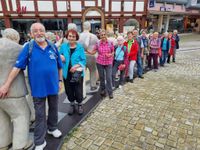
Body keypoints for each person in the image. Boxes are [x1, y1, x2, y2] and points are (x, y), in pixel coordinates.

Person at [0, 23, 63, 150]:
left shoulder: (52, 46)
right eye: (35, 31)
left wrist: (60, 80)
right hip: (38, 88)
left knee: (53, 108)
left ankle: (53, 128)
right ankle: (39, 141)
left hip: (53, 86)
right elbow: (17, 67)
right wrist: (6, 85)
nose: (39, 33)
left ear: (45, 32)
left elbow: (59, 65)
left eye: (41, 30)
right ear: (31, 34)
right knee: (40, 115)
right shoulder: (28, 47)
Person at [0, 28, 32, 150]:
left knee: (2, 117)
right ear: (16, 37)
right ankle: (20, 144)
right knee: (21, 116)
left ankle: (3, 143)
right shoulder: (18, 49)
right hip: (12, 91)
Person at [59, 29, 86, 115]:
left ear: (76, 38)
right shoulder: (63, 46)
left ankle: (80, 104)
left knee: (78, 90)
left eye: (73, 36)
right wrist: (60, 57)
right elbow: (58, 56)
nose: (71, 38)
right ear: (67, 37)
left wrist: (76, 66)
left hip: (77, 73)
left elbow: (84, 60)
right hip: (66, 73)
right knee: (69, 90)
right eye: (70, 36)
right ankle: (72, 104)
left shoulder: (80, 47)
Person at [87, 29, 114, 99]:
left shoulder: (110, 43)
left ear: (106, 35)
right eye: (101, 35)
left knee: (108, 78)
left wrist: (110, 54)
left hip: (108, 62)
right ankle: (103, 90)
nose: (103, 36)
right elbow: (93, 52)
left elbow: (113, 52)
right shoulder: (98, 43)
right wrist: (87, 51)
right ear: (100, 36)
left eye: (104, 34)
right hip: (100, 62)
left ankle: (110, 92)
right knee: (101, 78)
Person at [79, 21, 99, 91]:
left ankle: (81, 85)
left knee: (81, 71)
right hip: (91, 55)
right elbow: (98, 45)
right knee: (93, 70)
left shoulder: (79, 36)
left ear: (83, 27)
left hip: (81, 56)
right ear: (90, 27)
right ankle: (93, 85)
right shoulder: (94, 36)